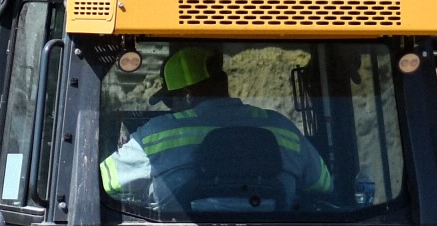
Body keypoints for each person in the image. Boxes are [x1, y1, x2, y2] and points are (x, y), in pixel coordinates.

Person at [100, 46, 335, 213]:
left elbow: (105, 182)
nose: (170, 110)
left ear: (187, 95)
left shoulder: (156, 135)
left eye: (171, 101)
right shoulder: (283, 129)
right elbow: (323, 185)